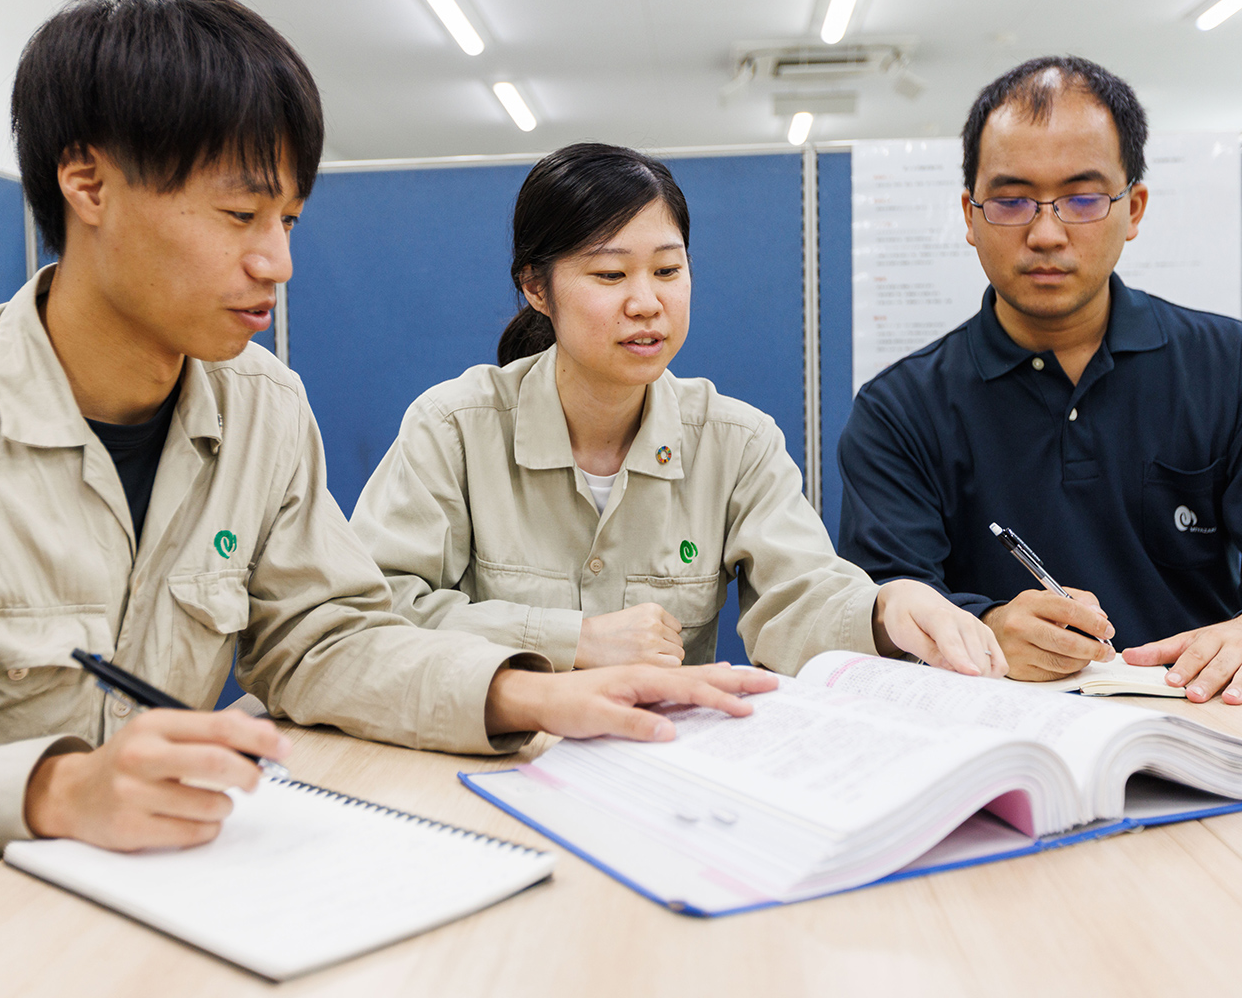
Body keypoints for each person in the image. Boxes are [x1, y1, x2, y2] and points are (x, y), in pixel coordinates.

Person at [0, 0, 778, 907]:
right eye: (239, 215)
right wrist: (52, 789)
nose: (276, 263)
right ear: (87, 182)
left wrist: (528, 694)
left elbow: (322, 638)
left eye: (287, 220)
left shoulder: (262, 407)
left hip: (168, 893)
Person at [350, 143, 1003, 678]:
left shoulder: (736, 444)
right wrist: (572, 640)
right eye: (610, 276)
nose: (646, 302)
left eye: (667, 271)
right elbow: (378, 611)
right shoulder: (455, 429)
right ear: (535, 287)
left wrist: (886, 609)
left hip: (661, 769)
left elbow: (799, 599)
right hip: (498, 757)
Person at [837, 55, 1242, 702]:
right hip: (996, 738)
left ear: (1132, 209)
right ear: (969, 216)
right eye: (1011, 200)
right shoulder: (898, 410)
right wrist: (987, 625)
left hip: (1200, 726)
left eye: (1083, 198)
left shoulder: (1228, 366)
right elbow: (885, 607)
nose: (1046, 232)